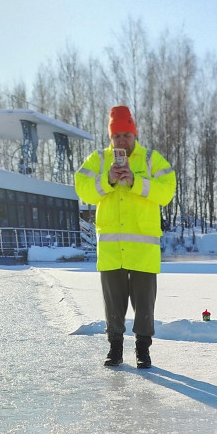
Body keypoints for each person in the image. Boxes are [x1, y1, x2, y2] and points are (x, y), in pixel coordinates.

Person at [74, 105, 176, 369]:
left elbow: (166, 192)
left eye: (126, 135)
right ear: (111, 136)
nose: (122, 140)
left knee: (145, 307)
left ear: (135, 134)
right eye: (116, 135)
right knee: (113, 306)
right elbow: (83, 190)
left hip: (143, 250)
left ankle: (143, 351)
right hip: (111, 249)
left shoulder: (152, 159)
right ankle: (115, 349)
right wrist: (106, 180)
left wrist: (136, 182)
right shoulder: (98, 160)